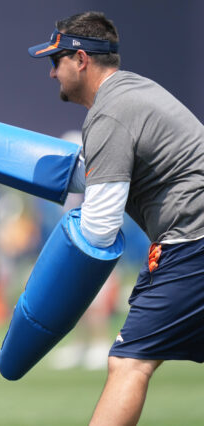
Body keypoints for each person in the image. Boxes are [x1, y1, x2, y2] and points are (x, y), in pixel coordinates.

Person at [28, 11, 204, 425]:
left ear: (82, 60)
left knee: (129, 363)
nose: (52, 74)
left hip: (191, 245)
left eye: (57, 62)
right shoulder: (134, 90)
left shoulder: (108, 113)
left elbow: (100, 227)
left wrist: (52, 294)